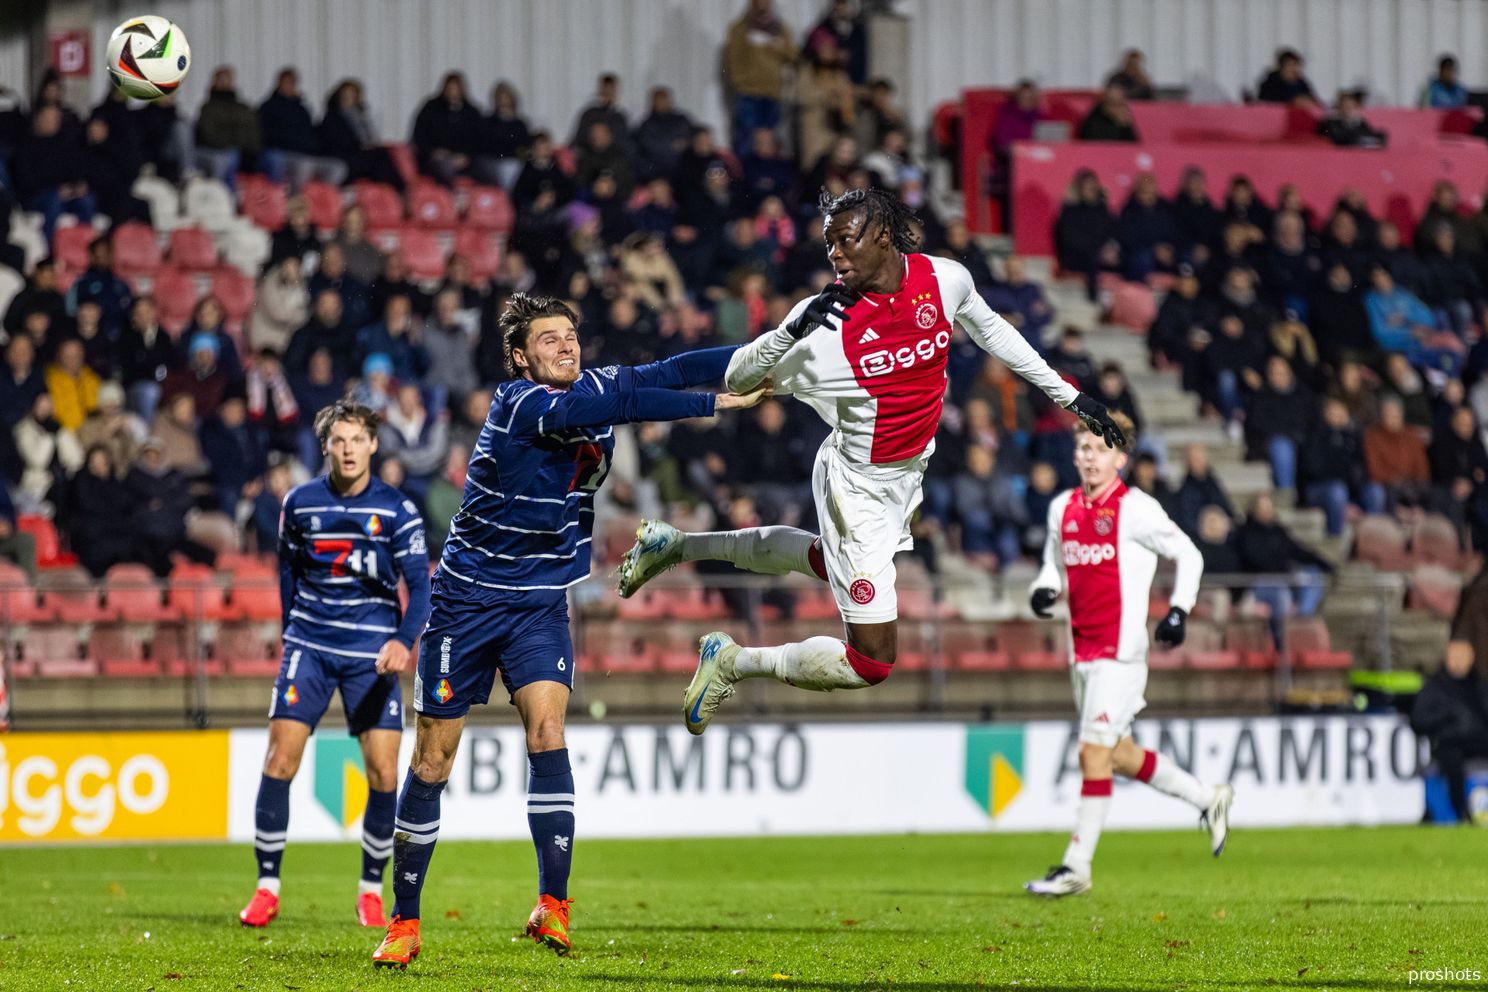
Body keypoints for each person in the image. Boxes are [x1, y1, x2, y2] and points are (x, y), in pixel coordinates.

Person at [615, 186, 1125, 734]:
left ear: (881, 234)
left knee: (822, 562)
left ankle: (676, 547)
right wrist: (790, 329)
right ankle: (733, 661)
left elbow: (994, 330)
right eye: (828, 244)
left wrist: (1070, 397)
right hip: (854, 486)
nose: (834, 254)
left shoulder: (944, 279)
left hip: (907, 476)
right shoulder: (829, 329)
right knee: (873, 661)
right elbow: (740, 376)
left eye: (844, 240)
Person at [370, 295, 765, 968]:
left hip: (540, 603)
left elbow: (668, 371)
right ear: (521, 356)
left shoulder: (595, 386)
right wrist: (713, 405)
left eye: (572, 335)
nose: (566, 345)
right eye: (549, 339)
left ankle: (553, 905)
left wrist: (761, 359)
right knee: (432, 761)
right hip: (466, 602)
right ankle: (403, 921)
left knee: (548, 733)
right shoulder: (518, 403)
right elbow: (618, 408)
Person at [238, 400, 431, 930]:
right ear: (325, 446)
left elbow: (421, 588)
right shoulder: (299, 503)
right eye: (338, 440)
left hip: (373, 659)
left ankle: (371, 888)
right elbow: (287, 574)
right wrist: (291, 632)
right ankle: (267, 887)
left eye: (357, 440)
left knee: (384, 773)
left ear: (373, 444)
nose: (348, 449)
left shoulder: (398, 509)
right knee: (280, 761)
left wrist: (403, 640)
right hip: (311, 650)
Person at [1023, 413, 1230, 897]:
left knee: (1091, 752)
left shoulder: (1136, 509)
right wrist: (1043, 590)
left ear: (1121, 457)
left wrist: (1179, 610)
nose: (1089, 456)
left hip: (1121, 654)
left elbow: (1190, 554)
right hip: (1082, 653)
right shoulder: (1063, 508)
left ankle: (1077, 867)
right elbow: (1052, 569)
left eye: (1099, 448)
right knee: (1117, 755)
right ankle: (1208, 799)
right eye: (1084, 447)